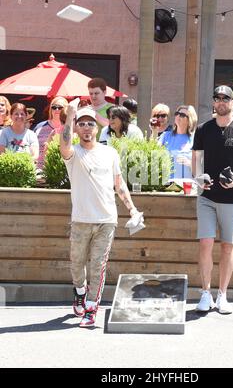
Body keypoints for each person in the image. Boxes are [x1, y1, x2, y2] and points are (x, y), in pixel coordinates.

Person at [60, 100, 143, 327]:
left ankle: (91, 308)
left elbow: (119, 184)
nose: (86, 127)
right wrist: (70, 116)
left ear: (97, 128)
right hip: (81, 219)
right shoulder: (74, 153)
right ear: (77, 128)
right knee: (77, 263)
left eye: (90, 123)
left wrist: (132, 208)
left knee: (98, 265)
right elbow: (64, 145)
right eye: (82, 124)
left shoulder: (110, 153)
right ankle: (79, 291)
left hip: (106, 219)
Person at [192, 85, 233, 314]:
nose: (221, 101)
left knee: (228, 246)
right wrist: (197, 177)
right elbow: (196, 158)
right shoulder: (203, 129)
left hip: (232, 197)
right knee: (205, 243)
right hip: (207, 196)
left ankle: (222, 295)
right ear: (213, 102)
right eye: (217, 98)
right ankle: (205, 293)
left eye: (225, 98)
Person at [159, 105, 198, 179]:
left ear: (190, 120)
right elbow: (153, 155)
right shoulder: (165, 136)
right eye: (177, 113)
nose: (178, 116)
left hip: (187, 185)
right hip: (167, 185)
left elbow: (201, 170)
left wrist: (190, 163)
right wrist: (154, 132)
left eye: (182, 115)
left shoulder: (195, 139)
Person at [34, 96, 69, 169]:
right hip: (39, 169)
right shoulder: (40, 127)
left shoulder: (70, 129)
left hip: (61, 169)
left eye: (60, 107)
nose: (57, 109)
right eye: (54, 107)